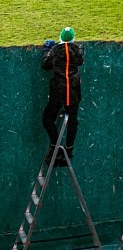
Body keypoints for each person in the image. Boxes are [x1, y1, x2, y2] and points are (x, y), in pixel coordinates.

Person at [42, 27, 84, 166]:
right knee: (73, 121)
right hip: (73, 92)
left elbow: (45, 65)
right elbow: (80, 61)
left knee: (47, 119)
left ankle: (55, 144)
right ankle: (68, 149)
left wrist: (47, 50)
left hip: (58, 94)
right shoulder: (77, 50)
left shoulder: (55, 51)